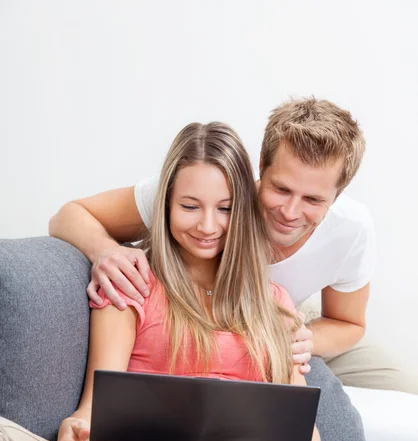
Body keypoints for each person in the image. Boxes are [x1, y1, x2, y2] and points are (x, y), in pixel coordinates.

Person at [0, 122, 320, 441]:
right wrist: (76, 439)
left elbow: (301, 425)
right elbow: (91, 407)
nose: (207, 225)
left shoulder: (274, 304)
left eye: (226, 209)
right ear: (165, 204)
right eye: (190, 206)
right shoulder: (132, 284)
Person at [49, 97, 416, 394]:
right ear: (260, 167)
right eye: (281, 189)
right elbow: (69, 214)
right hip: (222, 312)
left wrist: (302, 339)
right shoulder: (210, 192)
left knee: (404, 392)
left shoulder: (351, 230)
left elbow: (348, 322)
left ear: (337, 196)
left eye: (313, 200)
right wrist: (105, 250)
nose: (289, 212)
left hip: (290, 320)